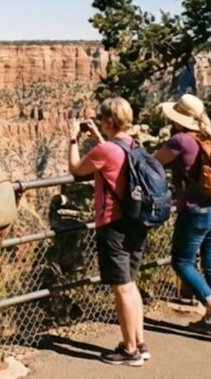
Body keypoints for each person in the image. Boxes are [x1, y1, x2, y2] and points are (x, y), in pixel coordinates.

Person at [68, 96, 149, 367]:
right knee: (131, 284)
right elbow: (113, 160)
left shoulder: (106, 151)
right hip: (136, 223)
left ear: (110, 121)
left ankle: (129, 351)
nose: (100, 123)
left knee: (122, 289)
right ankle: (138, 342)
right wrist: (96, 137)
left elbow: (77, 169)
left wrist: (72, 140)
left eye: (102, 119)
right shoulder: (133, 145)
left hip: (114, 225)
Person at [153, 94, 211, 340]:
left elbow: (153, 162)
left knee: (182, 262)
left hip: (196, 210)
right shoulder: (210, 135)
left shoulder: (180, 140)